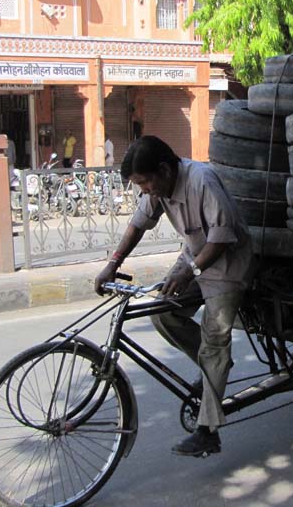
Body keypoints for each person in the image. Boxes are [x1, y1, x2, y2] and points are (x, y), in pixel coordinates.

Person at [94, 136, 253, 457]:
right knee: (163, 313)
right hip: (194, 257)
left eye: (145, 182)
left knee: (215, 338)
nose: (144, 189)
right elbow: (138, 225)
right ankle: (214, 368)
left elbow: (222, 238)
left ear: (164, 170)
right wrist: (112, 264)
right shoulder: (158, 188)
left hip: (228, 264)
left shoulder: (201, 180)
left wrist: (188, 272)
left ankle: (208, 431)